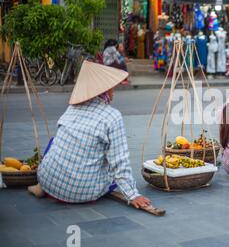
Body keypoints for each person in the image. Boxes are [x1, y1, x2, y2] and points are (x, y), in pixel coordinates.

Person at [28, 61, 151, 209]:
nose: (114, 91)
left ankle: (41, 187)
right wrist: (132, 195)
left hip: (46, 180)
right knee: (112, 170)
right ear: (104, 90)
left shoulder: (72, 108)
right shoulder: (112, 116)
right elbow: (119, 162)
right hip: (81, 192)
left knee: (54, 142)